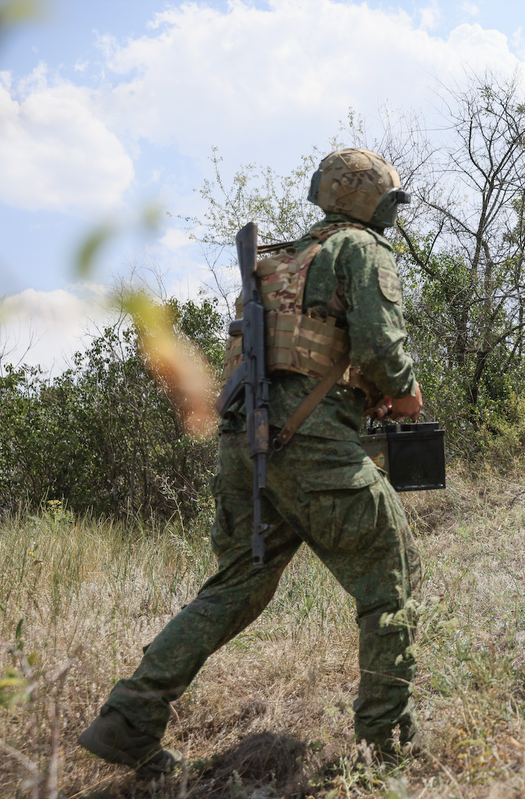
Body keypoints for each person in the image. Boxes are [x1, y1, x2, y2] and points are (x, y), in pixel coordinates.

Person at [78, 148, 425, 773]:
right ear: (368, 198)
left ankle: (127, 721)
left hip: (246, 446)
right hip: (311, 444)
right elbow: (379, 346)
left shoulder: (279, 261)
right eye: (391, 201)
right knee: (390, 574)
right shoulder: (362, 250)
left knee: (234, 587)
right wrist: (403, 392)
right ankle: (387, 739)